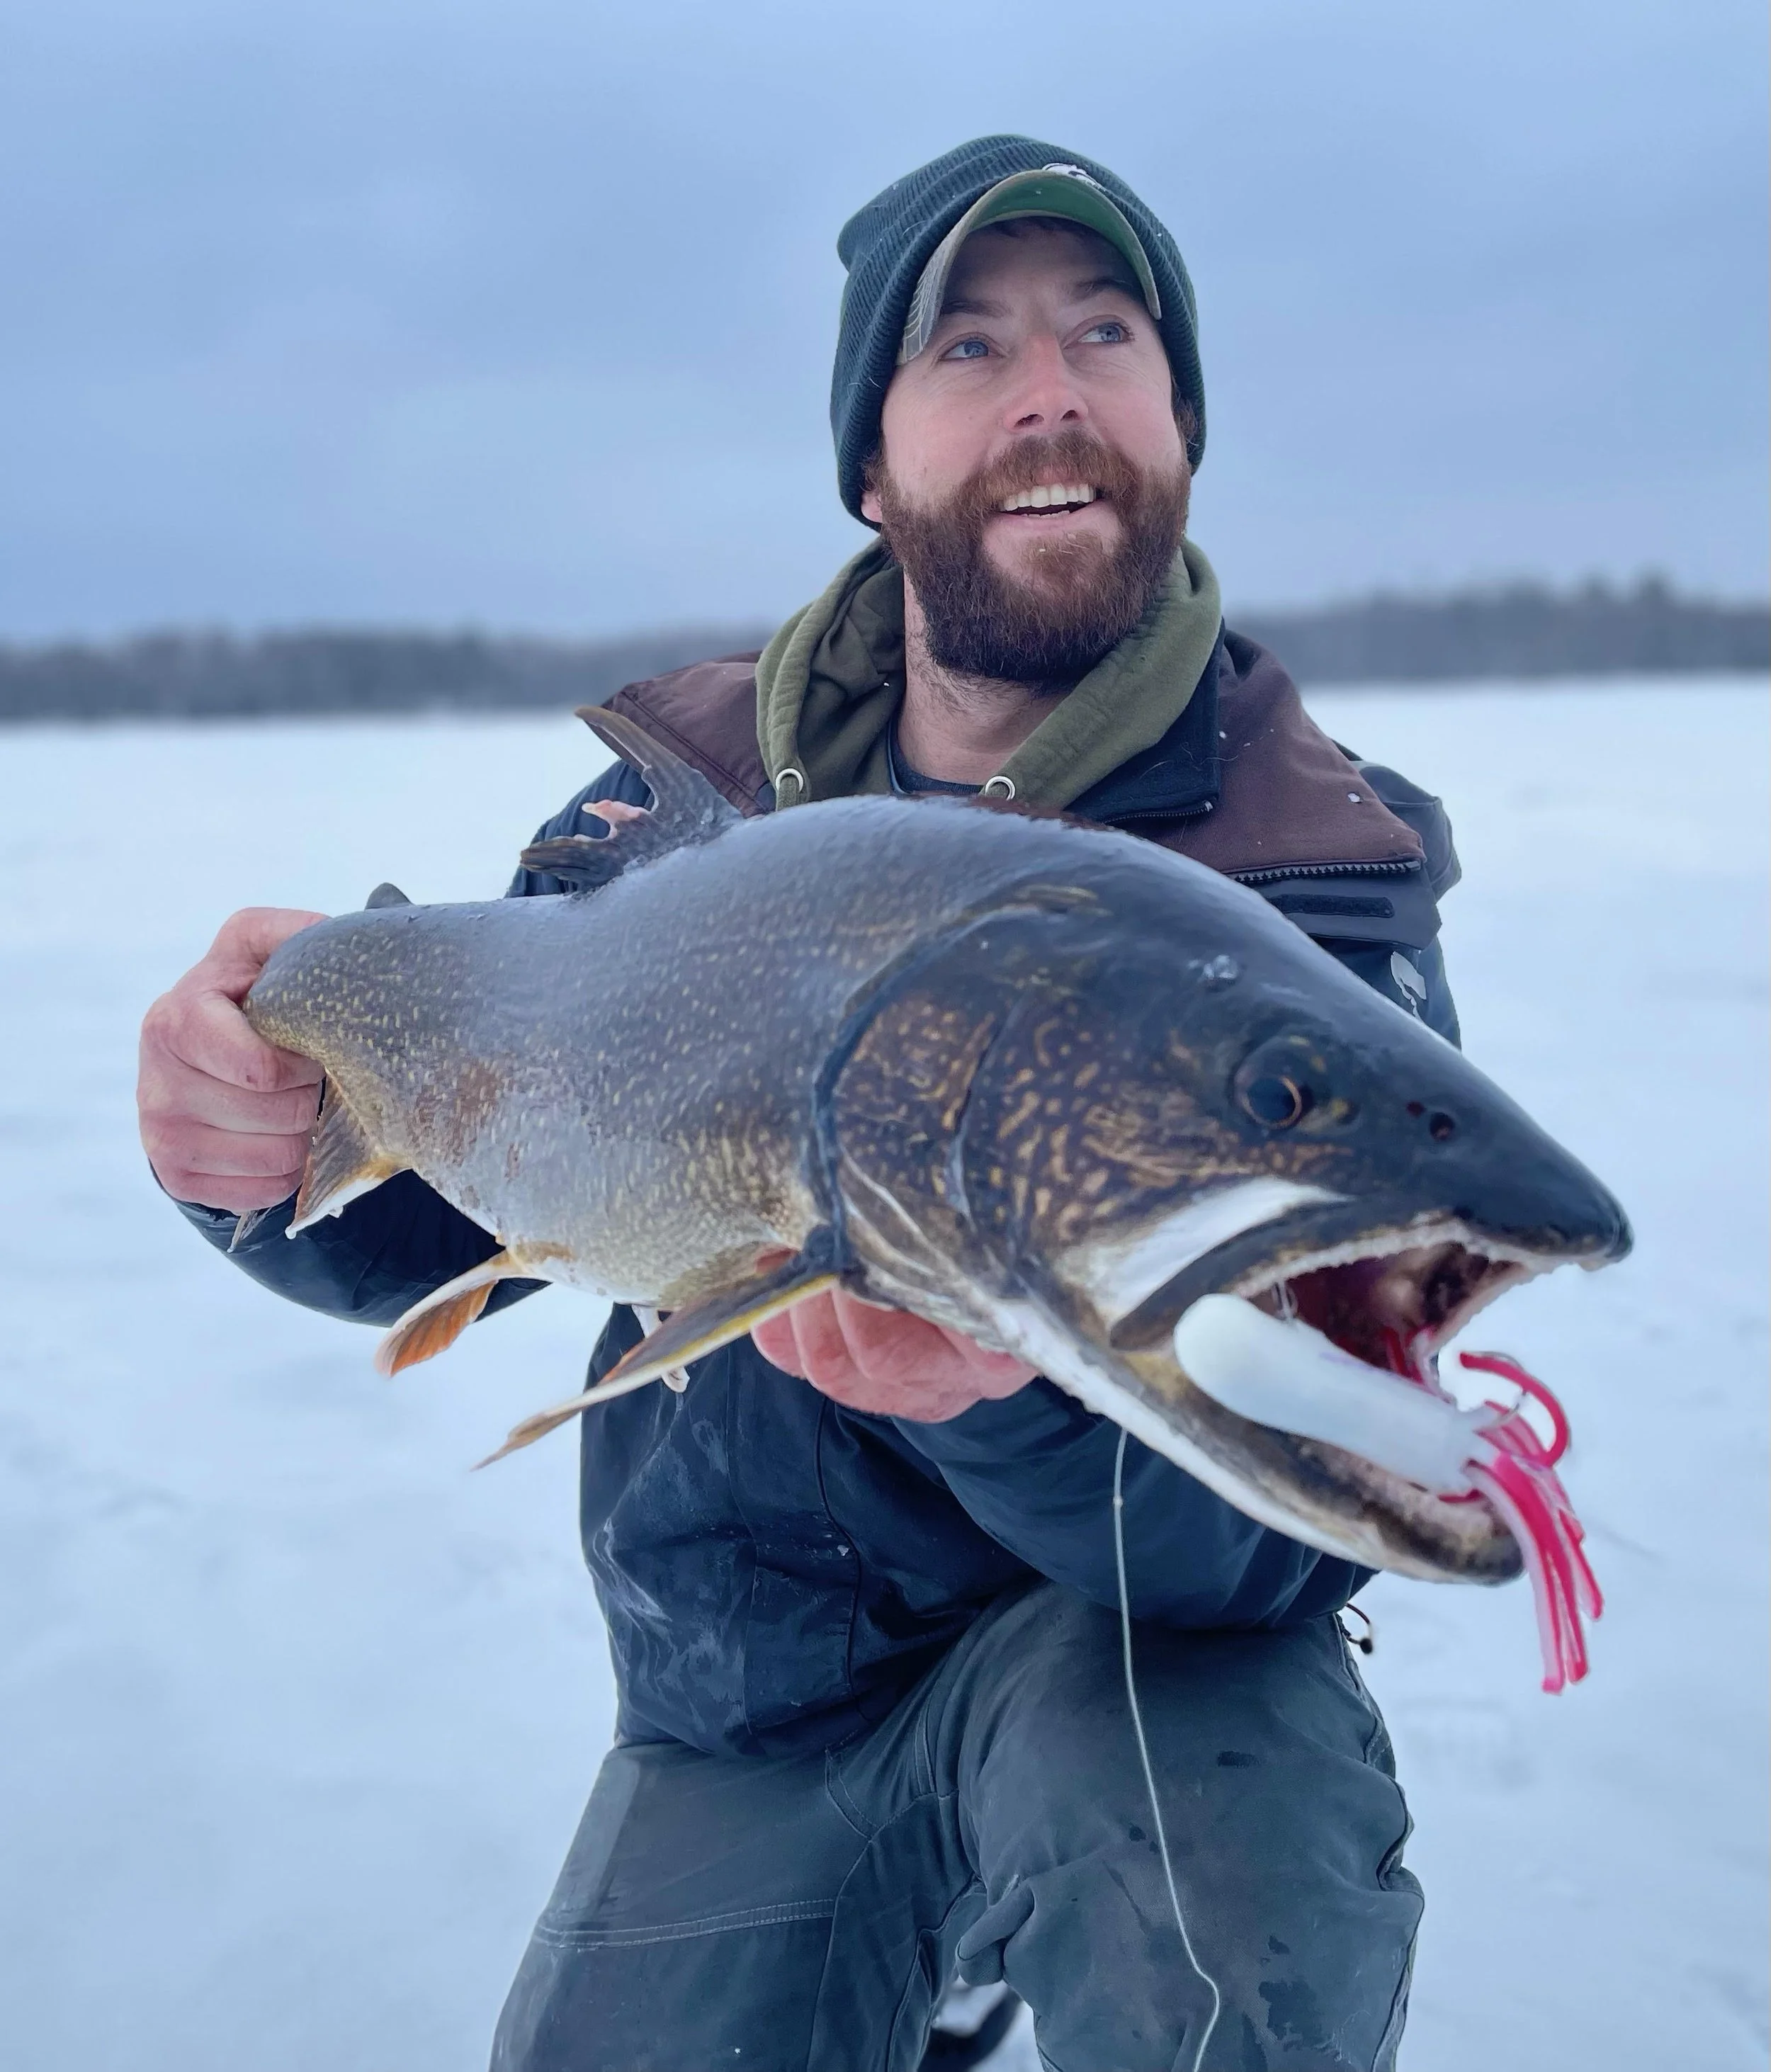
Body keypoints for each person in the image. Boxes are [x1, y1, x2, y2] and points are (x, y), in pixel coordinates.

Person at [137, 136, 1464, 2072]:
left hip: (1127, 1685)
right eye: (968, 343)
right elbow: (449, 1215)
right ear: (871, 457)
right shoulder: (656, 832)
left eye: (1109, 332)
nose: (1048, 388)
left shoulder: (1306, 877)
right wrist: (242, 1139)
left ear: (1176, 421)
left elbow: (1279, 1539)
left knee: (1231, 1877)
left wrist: (1001, 1396)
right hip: (744, 1701)